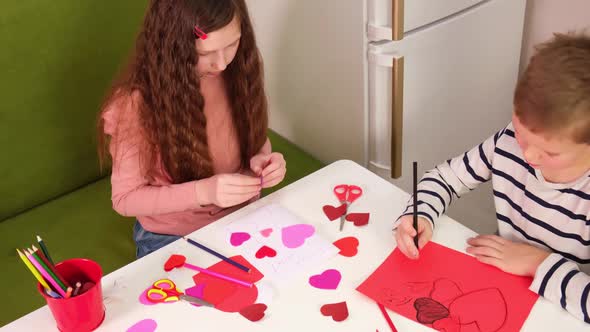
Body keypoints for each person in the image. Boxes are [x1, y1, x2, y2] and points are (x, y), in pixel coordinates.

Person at [394, 33, 590, 322]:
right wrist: (419, 214)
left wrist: (538, 264)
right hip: (499, 287)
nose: (530, 157)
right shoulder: (508, 140)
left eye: (550, 153)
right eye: (523, 135)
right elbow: (445, 179)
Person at [97, 0, 286, 258]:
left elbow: (253, 137)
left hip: (243, 215)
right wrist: (204, 192)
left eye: (232, 44)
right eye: (206, 54)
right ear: (173, 48)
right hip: (174, 236)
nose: (221, 64)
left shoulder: (238, 70)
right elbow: (124, 199)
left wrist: (263, 159)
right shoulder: (135, 105)